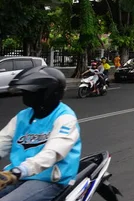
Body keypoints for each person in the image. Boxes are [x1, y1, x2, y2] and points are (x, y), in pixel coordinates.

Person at [0, 66, 81, 200]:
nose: (25, 95)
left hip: (48, 179)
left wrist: (20, 171)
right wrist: (16, 172)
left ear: (49, 93)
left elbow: (52, 153)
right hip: (17, 175)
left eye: (31, 92)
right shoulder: (23, 116)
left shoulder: (65, 118)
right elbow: (3, 140)